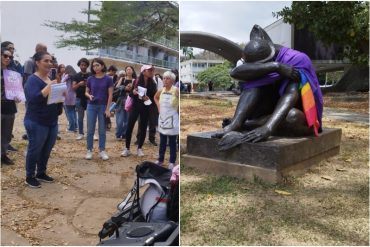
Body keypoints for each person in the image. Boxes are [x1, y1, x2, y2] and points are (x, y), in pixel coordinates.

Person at [23, 51, 61, 188]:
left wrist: (61, 92)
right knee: (35, 148)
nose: (49, 64)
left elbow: (53, 99)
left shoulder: (49, 78)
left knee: (47, 149)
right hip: (36, 121)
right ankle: (29, 176)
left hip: (51, 121)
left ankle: (41, 172)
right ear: (37, 63)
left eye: (51, 61)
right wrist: (49, 88)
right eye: (46, 61)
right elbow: (33, 99)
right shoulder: (32, 80)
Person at [121, 64, 157, 157]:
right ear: (143, 72)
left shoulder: (153, 84)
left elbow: (154, 98)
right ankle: (127, 148)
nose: (151, 72)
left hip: (146, 108)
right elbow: (131, 95)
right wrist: (133, 92)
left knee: (143, 128)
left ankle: (139, 148)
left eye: (152, 70)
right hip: (135, 107)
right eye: (149, 70)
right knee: (130, 127)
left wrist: (148, 99)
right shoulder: (136, 81)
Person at [84, 58, 113, 161]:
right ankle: (89, 150)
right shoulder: (90, 79)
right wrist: (89, 96)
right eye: (94, 66)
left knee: (102, 130)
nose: (95, 67)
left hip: (103, 107)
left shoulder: (108, 79)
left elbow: (110, 95)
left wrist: (108, 109)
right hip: (91, 106)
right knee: (90, 129)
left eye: (97, 65)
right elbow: (86, 92)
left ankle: (102, 150)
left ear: (102, 66)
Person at [153, 71, 179, 169]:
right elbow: (155, 98)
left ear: (172, 80)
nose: (165, 80)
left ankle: (172, 162)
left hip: (173, 118)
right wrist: (158, 107)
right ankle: (160, 159)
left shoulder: (176, 90)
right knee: (162, 141)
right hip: (163, 118)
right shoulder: (161, 90)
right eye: (164, 78)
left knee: (172, 142)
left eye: (167, 78)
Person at [1, 48, 21, 165]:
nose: (8, 58)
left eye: (10, 57)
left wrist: (18, 96)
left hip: (9, 106)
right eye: (5, 56)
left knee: (7, 134)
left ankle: (3, 154)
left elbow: (17, 89)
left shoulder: (12, 72)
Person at [114, 66, 136, 140]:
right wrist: (124, 87)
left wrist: (131, 88)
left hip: (130, 101)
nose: (129, 71)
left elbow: (136, 90)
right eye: (127, 69)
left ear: (132, 71)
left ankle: (124, 135)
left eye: (130, 69)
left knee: (127, 120)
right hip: (121, 100)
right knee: (119, 120)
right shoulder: (122, 78)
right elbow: (116, 87)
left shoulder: (134, 80)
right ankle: (118, 134)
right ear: (125, 71)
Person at [72, 58, 91, 140]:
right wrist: (79, 84)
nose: (83, 66)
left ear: (87, 65)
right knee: (80, 117)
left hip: (89, 98)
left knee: (90, 117)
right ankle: (80, 133)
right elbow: (73, 88)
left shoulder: (91, 75)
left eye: (84, 65)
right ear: (79, 65)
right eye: (81, 65)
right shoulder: (76, 76)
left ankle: (90, 133)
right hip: (79, 98)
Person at [63, 65, 77, 132]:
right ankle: (76, 126)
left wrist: (64, 75)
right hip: (74, 95)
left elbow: (62, 81)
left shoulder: (68, 76)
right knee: (73, 112)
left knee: (69, 112)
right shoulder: (75, 76)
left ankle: (71, 128)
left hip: (68, 95)